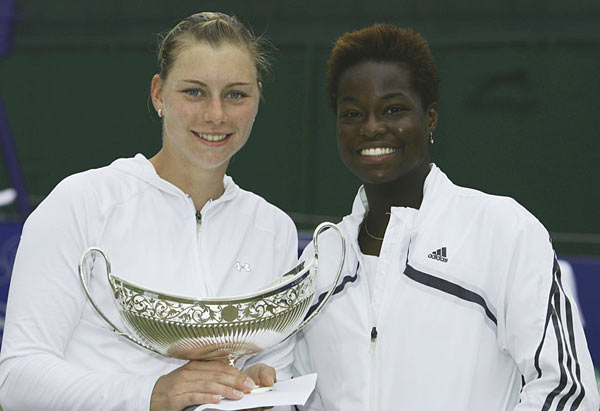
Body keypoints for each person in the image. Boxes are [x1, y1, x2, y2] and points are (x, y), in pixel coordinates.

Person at [0, 12, 298, 411]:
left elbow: (274, 368)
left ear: (258, 98)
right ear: (159, 94)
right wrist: (150, 394)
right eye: (194, 92)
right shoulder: (82, 202)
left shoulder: (273, 228)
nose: (216, 115)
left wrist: (261, 383)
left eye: (236, 94)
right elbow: (17, 379)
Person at [293, 24, 599, 410]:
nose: (371, 127)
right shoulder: (320, 261)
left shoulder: (503, 231)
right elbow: (299, 395)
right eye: (352, 113)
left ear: (430, 117)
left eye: (393, 109)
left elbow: (567, 390)